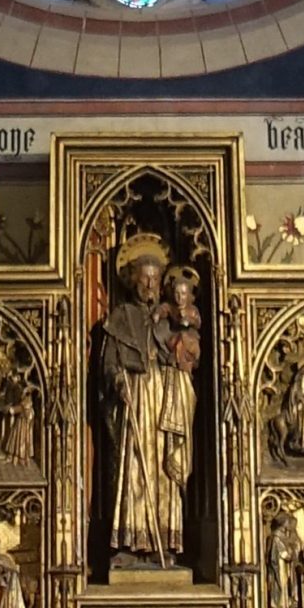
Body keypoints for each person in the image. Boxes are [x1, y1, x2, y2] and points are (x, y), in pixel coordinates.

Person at [96, 241, 196, 566]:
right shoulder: (121, 317)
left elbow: (188, 356)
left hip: (166, 400)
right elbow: (108, 364)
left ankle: (163, 542)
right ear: (133, 281)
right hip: (136, 398)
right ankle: (130, 542)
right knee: (134, 468)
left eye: (155, 279)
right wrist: (117, 381)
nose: (150, 285)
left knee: (164, 470)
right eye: (144, 279)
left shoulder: (170, 320)